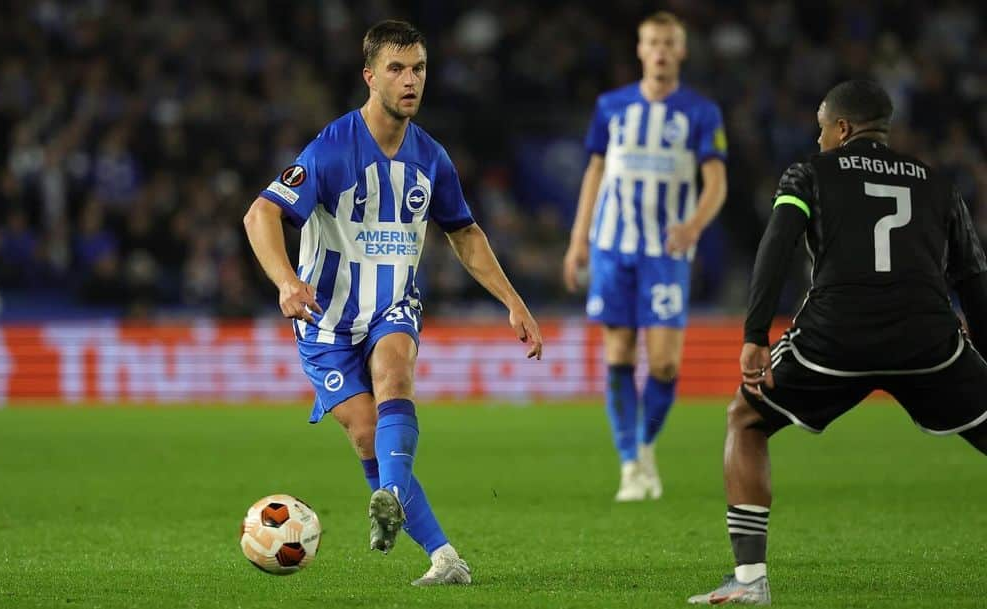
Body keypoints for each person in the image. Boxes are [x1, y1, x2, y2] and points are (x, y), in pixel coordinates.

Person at [243, 20, 543, 586]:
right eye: (397, 69)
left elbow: (464, 233)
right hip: (325, 318)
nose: (411, 80)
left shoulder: (431, 157)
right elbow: (260, 214)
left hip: (392, 305)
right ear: (369, 76)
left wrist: (513, 301)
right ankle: (444, 556)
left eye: (420, 69)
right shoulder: (332, 148)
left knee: (395, 374)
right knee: (364, 434)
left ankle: (387, 493)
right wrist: (286, 281)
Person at [689, 80, 987, 605]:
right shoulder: (940, 185)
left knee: (747, 418)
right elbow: (973, 279)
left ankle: (750, 580)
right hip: (928, 341)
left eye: (822, 128)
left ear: (842, 128)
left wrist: (756, 335)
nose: (819, 137)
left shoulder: (810, 172)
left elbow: (776, 243)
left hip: (835, 338)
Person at [562, 11, 728, 501]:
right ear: (640, 49)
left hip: (665, 252)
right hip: (613, 247)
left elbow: (716, 181)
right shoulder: (612, 107)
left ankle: (645, 445)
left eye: (668, 43)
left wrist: (693, 225)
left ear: (681, 51)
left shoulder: (700, 112)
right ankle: (631, 463)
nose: (659, 50)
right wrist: (579, 240)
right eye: (652, 42)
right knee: (617, 353)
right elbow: (594, 172)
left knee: (663, 366)